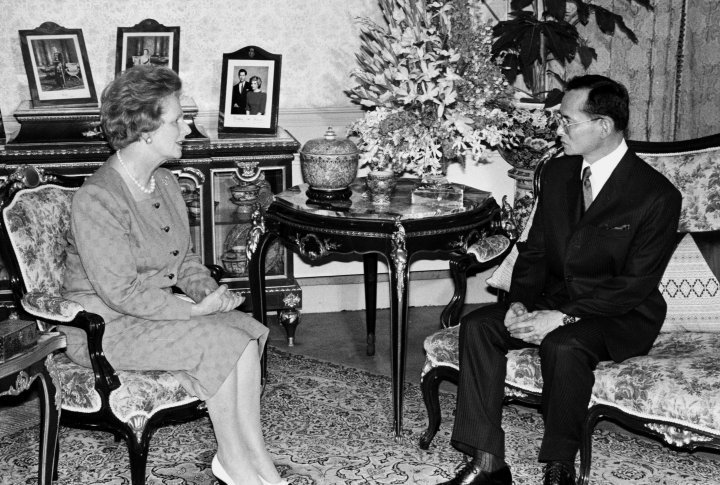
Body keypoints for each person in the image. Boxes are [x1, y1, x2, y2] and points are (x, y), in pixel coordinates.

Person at [439, 75, 682, 485]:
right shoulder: (557, 174)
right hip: (552, 301)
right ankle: (487, 463)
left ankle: (559, 467)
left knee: (563, 344)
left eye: (568, 122)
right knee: (480, 326)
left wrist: (562, 316)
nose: (558, 130)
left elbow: (634, 285)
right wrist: (518, 302)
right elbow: (534, 251)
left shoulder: (656, 195)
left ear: (603, 126)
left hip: (619, 314)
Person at [60, 65, 288, 485]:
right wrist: (196, 313)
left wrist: (210, 292)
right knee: (221, 340)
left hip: (151, 312)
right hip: (105, 327)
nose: (186, 127)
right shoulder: (97, 198)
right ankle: (234, 461)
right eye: (177, 119)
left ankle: (257, 459)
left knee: (247, 330)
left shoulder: (164, 181)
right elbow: (121, 293)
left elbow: (183, 261)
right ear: (145, 130)